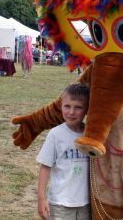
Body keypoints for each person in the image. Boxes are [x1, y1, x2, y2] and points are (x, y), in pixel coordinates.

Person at [36, 83, 91, 220]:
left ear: (87, 110)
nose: (71, 112)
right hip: (60, 203)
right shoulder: (56, 134)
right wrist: (42, 199)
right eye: (67, 106)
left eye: (78, 107)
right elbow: (45, 166)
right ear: (61, 106)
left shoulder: (91, 135)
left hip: (87, 203)